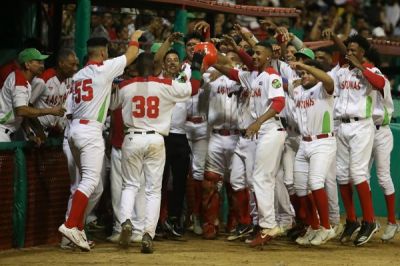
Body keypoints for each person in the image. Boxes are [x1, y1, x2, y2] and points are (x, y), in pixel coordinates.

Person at [58, 30, 142, 251]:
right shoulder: (104, 68)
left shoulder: (77, 75)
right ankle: (70, 226)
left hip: (74, 131)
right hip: (90, 132)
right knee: (89, 182)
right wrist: (134, 36)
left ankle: (75, 232)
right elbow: (132, 53)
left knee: (92, 187)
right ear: (103, 52)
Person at [116, 51, 203, 254]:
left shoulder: (125, 86)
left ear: (136, 68)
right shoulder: (164, 85)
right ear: (156, 66)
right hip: (156, 138)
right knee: (153, 191)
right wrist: (196, 67)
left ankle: (126, 221)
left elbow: (112, 105)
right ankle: (148, 233)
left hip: (132, 137)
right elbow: (194, 88)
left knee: (130, 185)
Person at [213, 41, 286, 247]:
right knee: (261, 179)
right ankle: (264, 224)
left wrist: (258, 122)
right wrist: (212, 62)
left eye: (258, 54)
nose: (254, 56)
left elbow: (279, 103)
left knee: (262, 178)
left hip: (270, 129)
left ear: (269, 57)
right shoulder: (254, 76)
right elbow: (232, 74)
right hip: (261, 131)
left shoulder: (272, 75)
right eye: (253, 53)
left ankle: (269, 225)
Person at [334, 34, 383, 246]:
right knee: (342, 175)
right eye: (349, 50)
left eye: (355, 50)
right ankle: (352, 220)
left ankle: (369, 221)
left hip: (361, 125)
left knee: (358, 173)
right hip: (342, 126)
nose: (351, 53)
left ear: (363, 52)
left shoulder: (371, 70)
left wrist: (360, 67)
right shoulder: (342, 71)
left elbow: (380, 83)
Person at [287, 59, 336, 246]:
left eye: (308, 73)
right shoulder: (298, 90)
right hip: (304, 143)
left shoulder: (324, 89)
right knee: (300, 188)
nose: (305, 75)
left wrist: (306, 67)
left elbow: (329, 80)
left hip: (323, 141)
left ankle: (327, 227)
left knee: (315, 182)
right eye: (302, 74)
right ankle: (314, 227)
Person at [0, 48, 65, 142]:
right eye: (38, 62)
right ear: (27, 64)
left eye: (42, 62)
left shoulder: (26, 82)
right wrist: (51, 110)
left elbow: (22, 113)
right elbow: (21, 110)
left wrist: (29, 134)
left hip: (7, 131)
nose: (42, 65)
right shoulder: (19, 79)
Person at [30, 48, 78, 137]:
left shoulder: (70, 81)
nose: (75, 68)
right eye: (72, 64)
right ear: (61, 63)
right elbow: (27, 106)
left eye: (76, 65)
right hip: (34, 131)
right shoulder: (43, 80)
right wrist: (38, 130)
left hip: (52, 132)